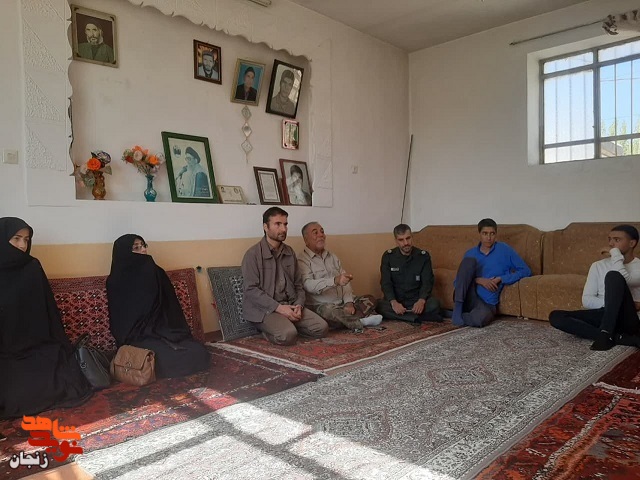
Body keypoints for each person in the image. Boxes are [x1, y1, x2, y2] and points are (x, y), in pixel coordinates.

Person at [0, 217, 92, 419]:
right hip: (6, 350)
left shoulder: (32, 266)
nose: (22, 245)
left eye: (26, 240)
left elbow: (48, 309)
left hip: (37, 343)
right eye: (16, 238)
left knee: (59, 371)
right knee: (14, 390)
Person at [106, 234, 210, 378]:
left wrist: (164, 330)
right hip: (137, 337)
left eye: (143, 246)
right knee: (163, 358)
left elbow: (171, 308)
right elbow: (120, 321)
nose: (143, 250)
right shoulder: (116, 281)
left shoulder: (156, 272)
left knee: (198, 351)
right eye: (136, 247)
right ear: (124, 252)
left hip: (164, 331)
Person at [242, 207, 328, 345]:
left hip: (290, 305)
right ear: (266, 227)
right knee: (287, 335)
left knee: (321, 328)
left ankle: (288, 327)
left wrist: (299, 305)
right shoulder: (252, 255)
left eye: (285, 224)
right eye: (278, 224)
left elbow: (298, 285)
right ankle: (271, 331)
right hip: (265, 310)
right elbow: (251, 290)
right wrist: (279, 308)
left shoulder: (289, 252)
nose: (283, 229)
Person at [549, 225, 640, 350]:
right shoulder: (597, 266)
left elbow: (623, 277)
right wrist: (611, 305)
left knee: (613, 276)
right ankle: (617, 337)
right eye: (609, 239)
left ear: (632, 243)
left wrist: (615, 253)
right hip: (603, 313)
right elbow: (586, 300)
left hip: (627, 318)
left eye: (617, 240)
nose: (611, 244)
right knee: (556, 317)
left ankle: (606, 332)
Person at [298, 222, 382, 333]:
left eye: (322, 232)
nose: (321, 235)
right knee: (330, 312)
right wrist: (334, 281)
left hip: (341, 303)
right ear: (306, 239)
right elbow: (308, 285)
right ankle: (360, 322)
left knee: (370, 299)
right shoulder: (302, 260)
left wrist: (348, 303)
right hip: (322, 305)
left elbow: (345, 281)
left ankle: (343, 321)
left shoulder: (332, 256)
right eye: (315, 233)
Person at [452, 218, 532, 328]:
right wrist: (478, 280)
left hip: (487, 303)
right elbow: (457, 282)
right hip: (468, 297)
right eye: (485, 233)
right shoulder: (470, 253)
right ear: (479, 234)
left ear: (496, 234)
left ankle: (458, 315)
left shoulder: (505, 250)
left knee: (479, 320)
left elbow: (526, 271)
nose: (488, 238)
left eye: (492, 234)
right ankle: (458, 309)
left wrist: (501, 278)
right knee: (468, 261)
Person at [377, 224, 442, 324]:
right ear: (396, 241)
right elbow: (386, 283)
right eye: (401, 240)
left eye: (408, 238)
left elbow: (427, 281)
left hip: (416, 300)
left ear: (412, 237)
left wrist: (421, 301)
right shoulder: (388, 256)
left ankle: (405, 316)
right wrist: (394, 302)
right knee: (379, 306)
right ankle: (415, 318)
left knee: (434, 304)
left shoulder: (423, 256)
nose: (406, 243)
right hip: (397, 300)